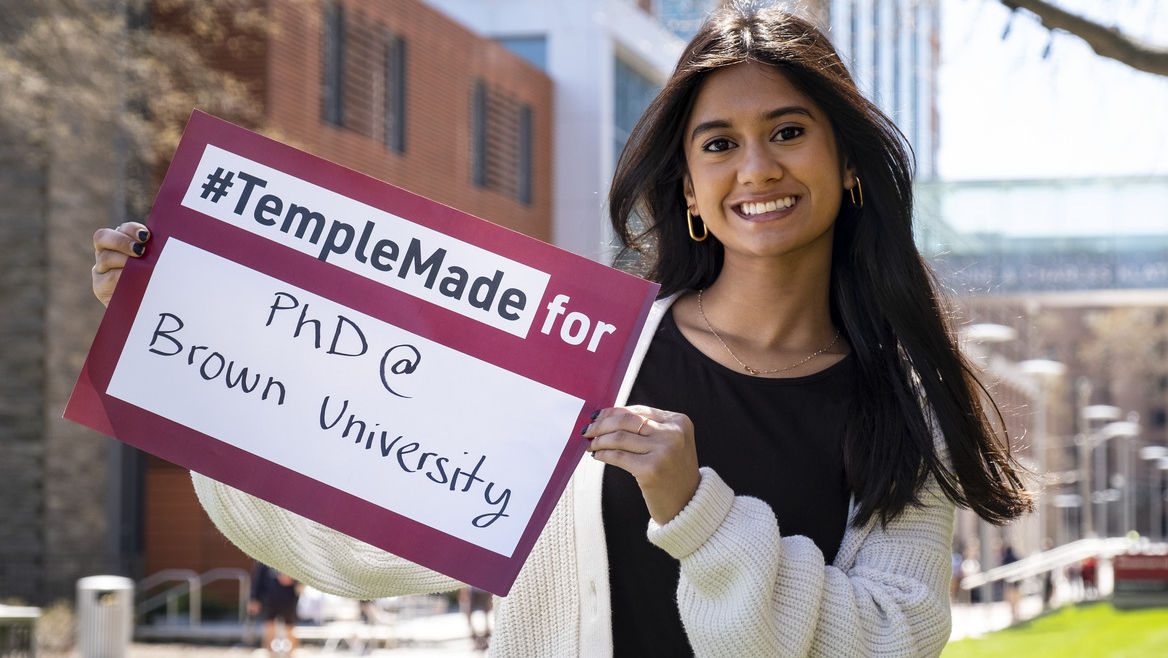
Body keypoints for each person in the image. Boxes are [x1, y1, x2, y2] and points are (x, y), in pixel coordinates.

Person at [91, 3, 1032, 655]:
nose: (756, 166)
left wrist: (697, 514)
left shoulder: (904, 408)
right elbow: (372, 534)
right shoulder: (590, 354)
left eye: (788, 131)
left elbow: (887, 641)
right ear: (692, 193)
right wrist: (175, 334)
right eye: (719, 143)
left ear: (848, 165)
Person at [249, 561, 302, 656]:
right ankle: (269, 654)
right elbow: (257, 578)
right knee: (269, 628)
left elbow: (302, 579)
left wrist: (292, 580)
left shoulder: (291, 557)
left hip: (288, 599)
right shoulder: (264, 558)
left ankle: (292, 654)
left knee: (290, 628)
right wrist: (254, 598)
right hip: (269, 598)